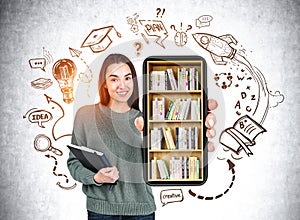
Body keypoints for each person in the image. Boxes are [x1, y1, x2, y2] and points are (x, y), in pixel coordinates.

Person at [67, 53, 218, 220]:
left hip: (141, 212)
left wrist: (196, 133)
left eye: (127, 78)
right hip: (100, 211)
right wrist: (96, 177)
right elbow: (74, 163)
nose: (122, 85)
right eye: (114, 79)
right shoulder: (86, 115)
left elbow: (166, 158)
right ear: (104, 84)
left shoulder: (149, 119)